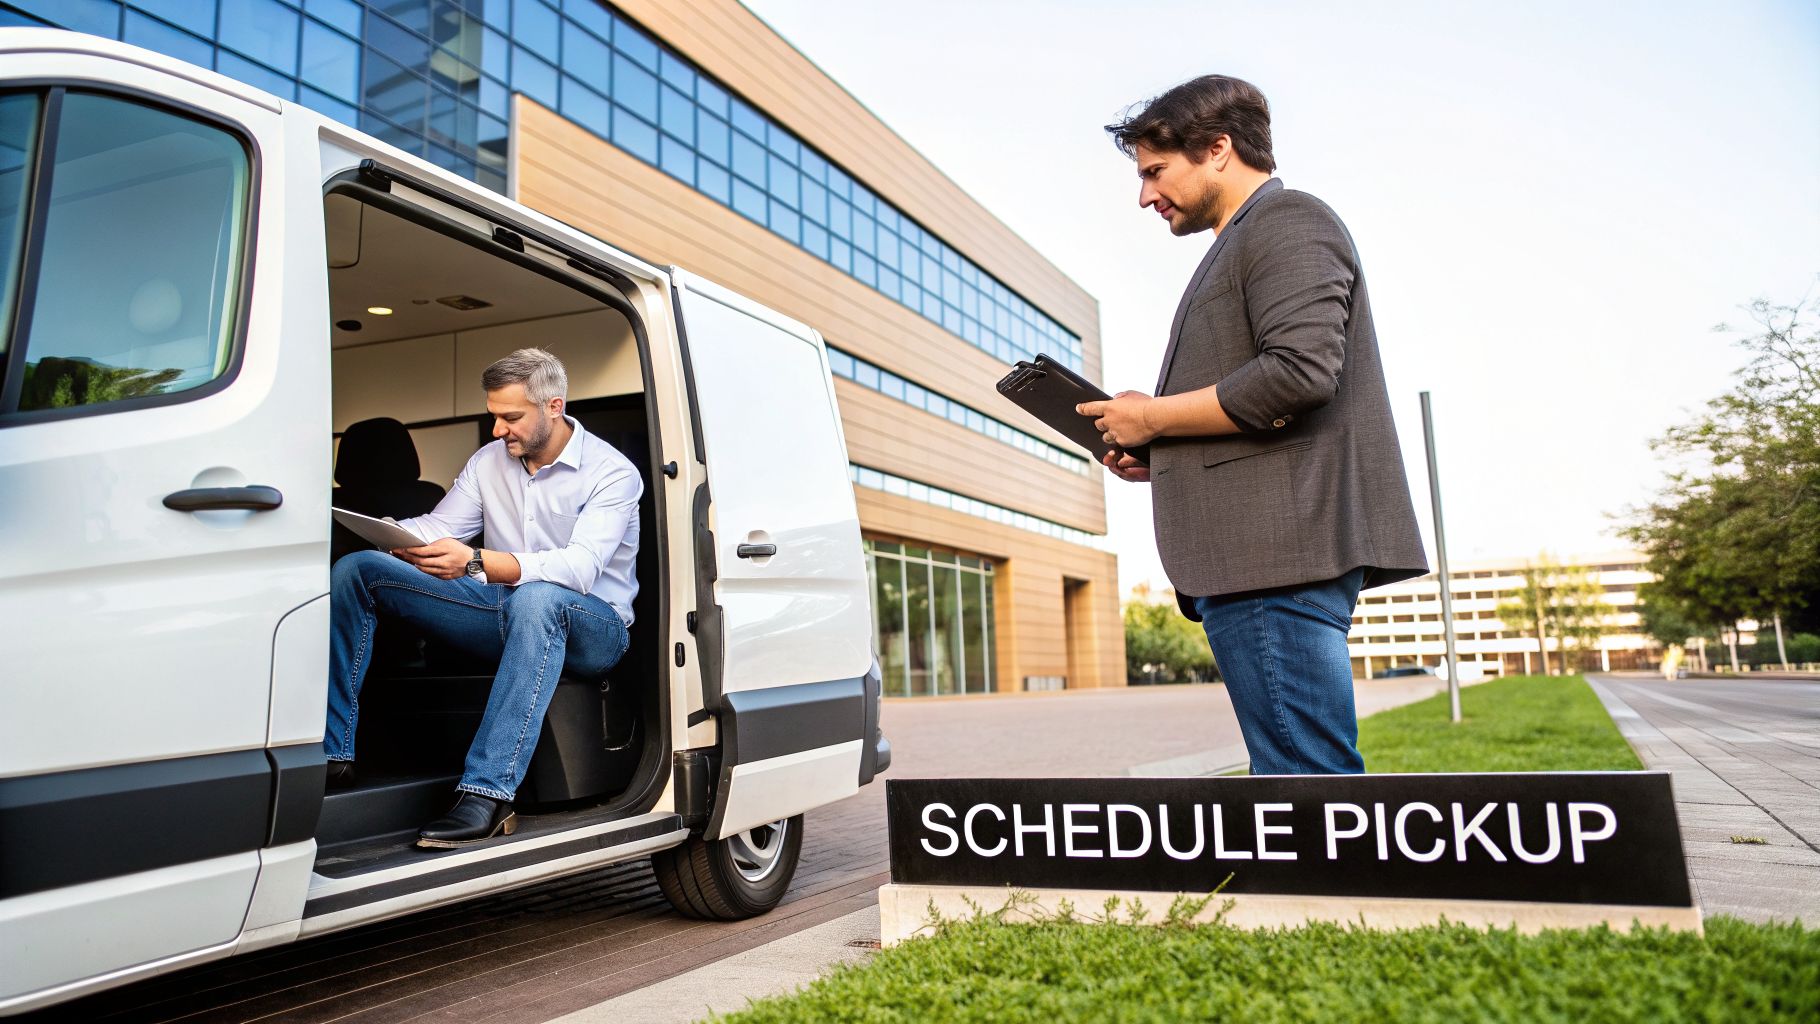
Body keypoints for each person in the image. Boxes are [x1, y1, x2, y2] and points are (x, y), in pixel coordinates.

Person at [1079, 76, 1428, 775]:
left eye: (1154, 171)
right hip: (1263, 555)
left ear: (1217, 149)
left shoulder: (1288, 220)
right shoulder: (1248, 235)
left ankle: (1337, 890)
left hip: (1275, 555)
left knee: (1307, 783)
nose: (1145, 195)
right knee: (1298, 777)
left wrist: (1151, 416)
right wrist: (1163, 449)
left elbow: (1298, 373)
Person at [325, 348, 642, 847]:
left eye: (510, 417)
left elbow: (578, 569)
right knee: (359, 571)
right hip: (504, 609)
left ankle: (488, 793)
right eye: (494, 415)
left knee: (538, 598)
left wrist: (474, 563)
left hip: (593, 628)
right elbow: (439, 526)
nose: (498, 430)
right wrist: (387, 536)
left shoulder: (613, 473)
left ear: (554, 407)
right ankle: (333, 755)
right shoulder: (488, 461)